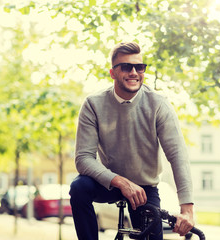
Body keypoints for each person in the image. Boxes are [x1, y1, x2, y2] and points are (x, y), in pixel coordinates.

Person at [69, 42, 194, 240]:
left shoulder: (159, 104)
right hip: (110, 183)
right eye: (126, 67)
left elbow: (177, 155)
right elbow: (83, 158)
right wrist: (120, 182)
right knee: (79, 187)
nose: (134, 72)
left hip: (144, 188)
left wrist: (187, 209)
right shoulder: (93, 104)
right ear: (112, 73)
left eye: (139, 67)